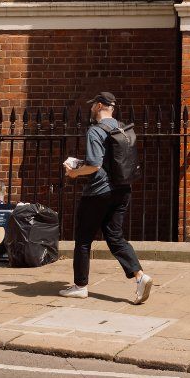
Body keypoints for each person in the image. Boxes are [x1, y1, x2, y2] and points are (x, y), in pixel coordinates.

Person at [60, 91, 152, 304]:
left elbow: (95, 165)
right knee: (115, 237)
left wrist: (74, 172)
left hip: (99, 193)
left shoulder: (95, 131)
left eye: (93, 105)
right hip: (122, 190)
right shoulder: (122, 128)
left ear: (99, 106)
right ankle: (140, 276)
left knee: (83, 240)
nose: (91, 108)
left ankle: (80, 286)